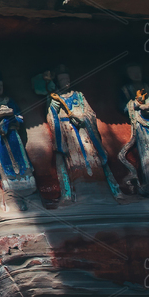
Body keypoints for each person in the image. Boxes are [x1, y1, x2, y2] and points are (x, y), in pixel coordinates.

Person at [46, 66, 121, 199]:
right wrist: (53, 106)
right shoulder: (56, 98)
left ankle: (101, 188)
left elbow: (90, 112)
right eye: (62, 80)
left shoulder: (78, 95)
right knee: (75, 159)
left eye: (67, 79)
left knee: (92, 156)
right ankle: (80, 189)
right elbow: (52, 116)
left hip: (85, 131)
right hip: (68, 132)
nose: (66, 82)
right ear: (58, 82)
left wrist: (83, 118)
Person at [0, 70, 37, 194]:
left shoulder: (9, 101)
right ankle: (8, 181)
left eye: (0, 86)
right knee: (2, 157)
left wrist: (8, 119)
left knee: (19, 155)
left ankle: (26, 179)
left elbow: (20, 118)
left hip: (12, 133)